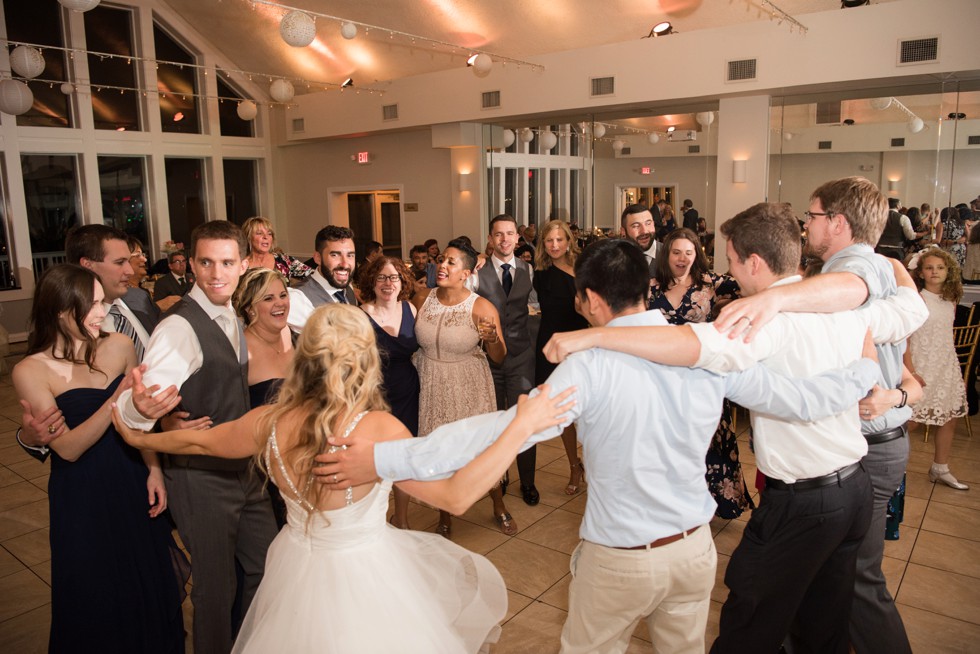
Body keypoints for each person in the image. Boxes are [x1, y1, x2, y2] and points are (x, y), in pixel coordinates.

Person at [312, 237, 885, 654]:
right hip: (693, 552)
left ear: (588, 299)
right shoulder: (706, 350)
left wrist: (382, 457)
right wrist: (864, 370)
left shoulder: (588, 367)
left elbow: (491, 433)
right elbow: (800, 399)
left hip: (622, 560)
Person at [541, 202, 927, 654]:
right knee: (823, 624)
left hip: (803, 501)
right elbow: (911, 308)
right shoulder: (845, 307)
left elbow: (689, 344)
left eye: (731, 260)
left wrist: (594, 336)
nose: (729, 271)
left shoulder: (759, 323)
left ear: (754, 263)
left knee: (748, 623)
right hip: (854, 489)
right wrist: (894, 268)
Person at [112, 303, 574, 654]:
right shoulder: (376, 431)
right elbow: (455, 497)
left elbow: (198, 442)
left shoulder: (267, 422)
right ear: (367, 359)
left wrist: (137, 438)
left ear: (303, 356)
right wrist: (520, 427)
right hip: (365, 579)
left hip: (295, 570)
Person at [118, 220, 279, 654]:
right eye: (205, 262)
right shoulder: (179, 328)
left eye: (227, 262)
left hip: (245, 471)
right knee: (215, 589)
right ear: (191, 264)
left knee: (268, 568)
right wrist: (144, 411)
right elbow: (136, 402)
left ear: (243, 265)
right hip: (200, 477)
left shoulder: (230, 314)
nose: (216, 273)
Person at [13, 264, 186, 653]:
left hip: (130, 477)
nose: (102, 312)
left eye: (102, 302)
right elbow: (69, 448)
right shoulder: (30, 370)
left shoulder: (120, 346)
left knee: (148, 581)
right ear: (60, 309)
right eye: (91, 304)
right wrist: (115, 397)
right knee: (95, 592)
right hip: (82, 493)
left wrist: (154, 470)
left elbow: (140, 421)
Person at [17, 224, 157, 461]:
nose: (130, 271)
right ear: (88, 266)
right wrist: (29, 437)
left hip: (150, 450)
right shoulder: (42, 359)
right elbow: (51, 432)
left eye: (129, 260)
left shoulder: (140, 299)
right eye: (119, 262)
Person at [413, 238, 517, 536]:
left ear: (466, 273)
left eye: (451, 262)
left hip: (468, 384)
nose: (442, 266)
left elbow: (499, 357)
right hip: (431, 381)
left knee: (477, 448)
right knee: (440, 450)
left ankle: (498, 504)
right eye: (441, 260)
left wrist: (494, 340)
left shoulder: (481, 308)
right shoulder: (422, 299)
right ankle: (445, 515)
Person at [649, 227, 750, 518]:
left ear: (697, 255)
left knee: (709, 442)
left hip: (702, 377)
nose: (682, 258)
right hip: (663, 380)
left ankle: (714, 503)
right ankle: (674, 504)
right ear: (666, 254)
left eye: (688, 253)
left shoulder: (712, 284)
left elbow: (756, 290)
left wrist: (733, 311)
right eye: (676, 252)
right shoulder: (650, 286)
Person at [471, 215, 540, 506]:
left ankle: (528, 482)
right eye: (498, 234)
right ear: (490, 238)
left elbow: (534, 305)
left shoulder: (528, 269)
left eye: (510, 233)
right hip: (487, 359)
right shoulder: (477, 272)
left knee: (523, 421)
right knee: (494, 423)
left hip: (521, 357)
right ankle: (500, 476)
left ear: (517, 237)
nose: (504, 239)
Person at [357, 256, 421, 528]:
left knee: (403, 457)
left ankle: (402, 520)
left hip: (407, 389)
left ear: (402, 281)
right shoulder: (359, 314)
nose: (388, 283)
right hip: (374, 396)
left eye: (394, 277)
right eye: (381, 277)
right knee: (375, 459)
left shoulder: (410, 309)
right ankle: (374, 519)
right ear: (372, 281)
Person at [906, 247, 969, 490]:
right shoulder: (916, 299)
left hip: (945, 364)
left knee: (949, 417)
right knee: (911, 421)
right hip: (921, 365)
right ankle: (893, 467)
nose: (935, 272)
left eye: (940, 268)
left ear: (948, 271)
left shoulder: (950, 299)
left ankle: (940, 468)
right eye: (930, 268)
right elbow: (906, 340)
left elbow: (945, 336)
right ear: (920, 272)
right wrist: (911, 371)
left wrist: (955, 371)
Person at [533, 220, 588, 494]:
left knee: (589, 412)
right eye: (549, 241)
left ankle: (597, 464)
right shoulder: (540, 273)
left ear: (569, 241)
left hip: (582, 344)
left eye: (559, 240)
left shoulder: (585, 268)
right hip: (551, 346)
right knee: (563, 413)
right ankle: (574, 465)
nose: (554, 245)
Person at [288, 225, 357, 332]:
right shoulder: (297, 298)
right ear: (318, 258)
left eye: (350, 255)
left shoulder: (348, 289)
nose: (345, 264)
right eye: (335, 255)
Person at [242, 216, 313, 281]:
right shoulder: (241, 265)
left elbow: (312, 275)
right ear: (249, 238)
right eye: (259, 233)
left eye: (269, 234)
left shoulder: (283, 260)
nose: (265, 237)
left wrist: (295, 292)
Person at [621, 203, 660, 277]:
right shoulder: (615, 259)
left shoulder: (670, 254)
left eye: (648, 223)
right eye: (636, 226)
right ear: (623, 231)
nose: (644, 231)